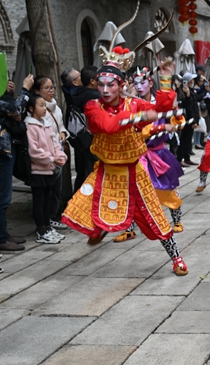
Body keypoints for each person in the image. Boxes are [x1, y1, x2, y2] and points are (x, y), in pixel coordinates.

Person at [61, 41, 189, 277]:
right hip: (106, 170)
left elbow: (160, 108)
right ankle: (98, 229)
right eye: (100, 84)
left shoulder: (134, 103)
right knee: (85, 204)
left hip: (134, 170)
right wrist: (137, 116)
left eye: (111, 84)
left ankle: (176, 257)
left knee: (155, 215)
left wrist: (165, 79)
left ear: (121, 85)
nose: (105, 90)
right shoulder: (93, 106)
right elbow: (108, 126)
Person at [112, 66, 186, 242]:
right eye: (135, 82)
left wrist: (176, 119)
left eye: (143, 82)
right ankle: (129, 227)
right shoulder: (131, 104)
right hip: (137, 153)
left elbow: (177, 119)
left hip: (158, 152)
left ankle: (176, 220)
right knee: (131, 191)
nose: (139, 86)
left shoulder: (158, 102)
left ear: (150, 83)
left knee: (169, 188)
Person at [25, 94, 68, 244]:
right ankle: (41, 230)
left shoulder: (47, 124)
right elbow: (34, 151)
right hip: (38, 170)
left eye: (45, 105)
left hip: (50, 169)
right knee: (39, 200)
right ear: (31, 109)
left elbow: (56, 144)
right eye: (41, 105)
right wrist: (51, 159)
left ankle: (48, 227)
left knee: (47, 199)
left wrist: (60, 156)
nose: (44, 108)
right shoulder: (30, 126)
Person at [0, 89, 26, 264]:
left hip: (0, 152)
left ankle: (3, 234)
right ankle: (1, 239)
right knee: (1, 197)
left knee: (3, 197)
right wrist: (25, 90)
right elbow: (16, 108)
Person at [32, 76, 70, 231]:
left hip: (57, 151)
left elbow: (60, 126)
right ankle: (44, 222)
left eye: (52, 87)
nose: (51, 91)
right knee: (45, 193)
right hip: (45, 156)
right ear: (37, 91)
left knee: (56, 189)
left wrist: (62, 133)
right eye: (46, 88)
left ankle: (52, 217)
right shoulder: (36, 112)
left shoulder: (57, 108)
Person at [68, 66, 100, 192]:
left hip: (80, 140)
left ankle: (76, 205)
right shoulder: (94, 97)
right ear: (92, 81)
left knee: (82, 174)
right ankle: (87, 206)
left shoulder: (75, 94)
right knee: (91, 176)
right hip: (92, 141)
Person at [176, 72, 201, 167]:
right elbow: (188, 107)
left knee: (188, 140)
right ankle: (179, 159)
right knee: (184, 140)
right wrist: (193, 121)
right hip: (187, 120)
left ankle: (187, 158)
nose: (193, 81)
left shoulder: (190, 90)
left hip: (192, 118)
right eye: (192, 80)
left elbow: (196, 101)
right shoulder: (183, 91)